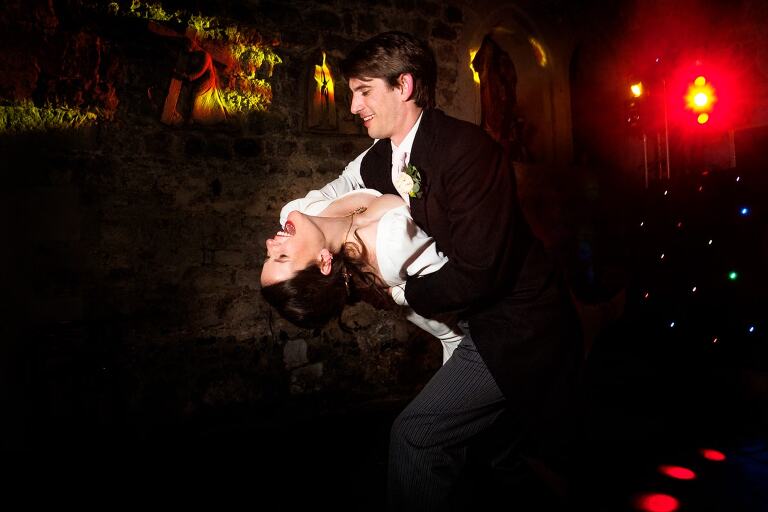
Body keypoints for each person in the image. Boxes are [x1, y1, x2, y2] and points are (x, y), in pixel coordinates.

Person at [274, 31, 583, 510]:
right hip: (471, 326)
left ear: (404, 86)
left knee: (416, 436)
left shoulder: (468, 151)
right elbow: (339, 186)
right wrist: (297, 216)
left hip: (517, 326)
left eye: (364, 92)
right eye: (353, 93)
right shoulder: (384, 156)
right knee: (499, 457)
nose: (353, 107)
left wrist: (400, 297)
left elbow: (480, 273)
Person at [261, 189, 463, 364]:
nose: (270, 243)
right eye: (282, 256)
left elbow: (354, 174)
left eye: (268, 256)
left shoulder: (307, 217)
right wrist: (404, 295)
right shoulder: (391, 248)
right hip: (467, 335)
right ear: (324, 262)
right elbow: (463, 278)